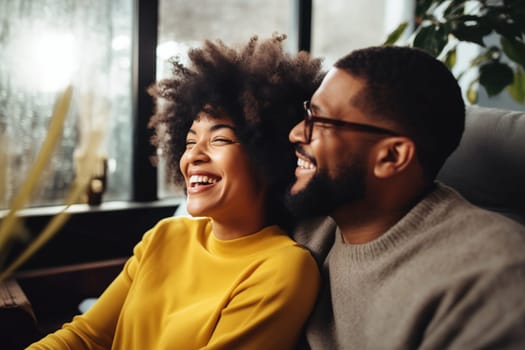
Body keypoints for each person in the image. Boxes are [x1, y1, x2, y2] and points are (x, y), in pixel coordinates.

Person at [27, 35, 324, 350]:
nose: (193, 156)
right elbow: (86, 336)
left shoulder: (284, 268)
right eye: (189, 141)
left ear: (268, 154)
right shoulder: (165, 236)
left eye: (220, 139)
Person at [286, 45, 525, 349]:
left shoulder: (491, 282)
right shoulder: (315, 221)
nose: (296, 133)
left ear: (391, 156)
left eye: (320, 122)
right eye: (309, 112)